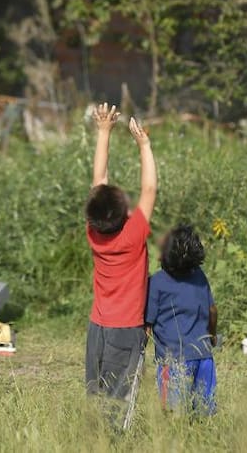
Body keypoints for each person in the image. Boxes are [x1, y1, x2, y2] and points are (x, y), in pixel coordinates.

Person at [85, 103, 157, 418]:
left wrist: (103, 131)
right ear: (124, 212)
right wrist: (144, 144)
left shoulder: (94, 232)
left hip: (97, 325)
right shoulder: (133, 235)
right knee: (118, 397)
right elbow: (150, 188)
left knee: (96, 391)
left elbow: (98, 180)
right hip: (126, 327)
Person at [146, 224, 217, 416]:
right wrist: (212, 336)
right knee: (205, 413)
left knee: (173, 416)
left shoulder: (157, 282)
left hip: (173, 361)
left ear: (165, 254)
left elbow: (148, 325)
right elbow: (212, 310)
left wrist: (140, 348)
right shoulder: (199, 276)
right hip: (204, 356)